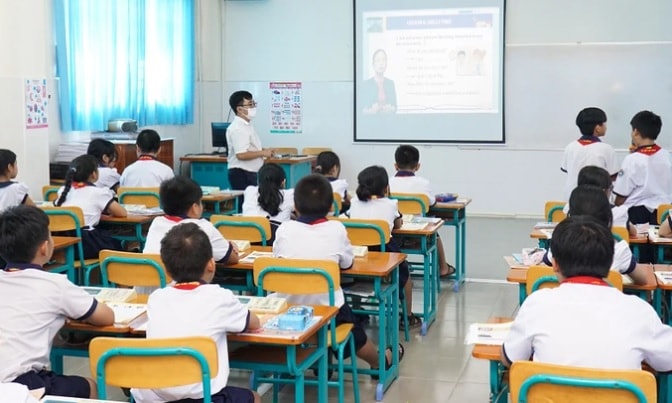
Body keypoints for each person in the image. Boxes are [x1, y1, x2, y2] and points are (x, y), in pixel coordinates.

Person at [501, 215, 672, 371]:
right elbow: (667, 361)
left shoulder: (536, 304)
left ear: (555, 264)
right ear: (609, 263)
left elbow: (510, 358)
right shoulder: (639, 311)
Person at [273, 174, 404, 376]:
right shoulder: (336, 228)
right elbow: (347, 263)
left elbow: (278, 260)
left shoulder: (284, 229)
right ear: (330, 207)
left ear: (295, 206)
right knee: (352, 329)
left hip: (286, 310)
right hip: (327, 311)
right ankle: (379, 361)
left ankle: (317, 362)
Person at [131, 223, 261, 403]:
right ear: (211, 264)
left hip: (157, 396)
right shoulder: (219, 297)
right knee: (253, 397)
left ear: (166, 270)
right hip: (204, 396)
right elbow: (254, 323)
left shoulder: (156, 299)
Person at [0, 205, 114, 398]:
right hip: (20, 384)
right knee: (89, 386)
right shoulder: (55, 284)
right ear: (45, 247)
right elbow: (106, 317)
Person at [347, 165, 417, 328]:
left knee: (356, 275)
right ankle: (407, 317)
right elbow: (398, 225)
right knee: (406, 276)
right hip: (384, 254)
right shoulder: (391, 204)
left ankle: (357, 311)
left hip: (359, 255)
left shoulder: (354, 202)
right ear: (386, 188)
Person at [542, 186, 654, 286]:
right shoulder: (619, 250)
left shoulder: (559, 246)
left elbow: (545, 265)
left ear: (570, 214)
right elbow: (643, 280)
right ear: (608, 216)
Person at [389, 144, 456, 277]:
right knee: (435, 234)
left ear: (395, 165)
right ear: (418, 166)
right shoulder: (423, 183)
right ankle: (443, 268)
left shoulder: (388, 183)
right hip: (418, 235)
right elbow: (432, 203)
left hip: (393, 234)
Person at [613, 111, 670, 262]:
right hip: (663, 215)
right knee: (660, 256)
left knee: (639, 257)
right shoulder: (667, 156)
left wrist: (615, 207)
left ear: (636, 131)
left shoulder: (631, 160)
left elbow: (621, 195)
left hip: (637, 215)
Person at [143, 176, 239, 265]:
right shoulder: (203, 227)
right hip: (182, 278)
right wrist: (230, 246)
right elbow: (232, 259)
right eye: (201, 202)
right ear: (195, 207)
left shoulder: (156, 222)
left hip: (150, 277)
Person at [55, 155, 126, 259]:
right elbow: (122, 213)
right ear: (93, 174)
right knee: (116, 244)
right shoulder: (98, 192)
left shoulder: (63, 190)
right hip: (85, 244)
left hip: (62, 241)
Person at [560, 107, 618, 200]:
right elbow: (613, 176)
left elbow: (567, 170)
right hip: (597, 200)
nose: (606, 127)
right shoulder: (607, 149)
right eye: (604, 123)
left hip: (572, 199)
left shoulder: (570, 147)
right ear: (597, 128)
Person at [562, 165, 635, 234]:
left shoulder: (569, 207)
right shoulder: (618, 212)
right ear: (604, 191)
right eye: (610, 188)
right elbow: (633, 232)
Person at [226, 90, 274, 190]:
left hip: (250, 172)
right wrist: (262, 153)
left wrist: (264, 150)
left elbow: (249, 147)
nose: (253, 107)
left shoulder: (247, 125)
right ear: (239, 109)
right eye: (250, 104)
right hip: (242, 173)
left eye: (254, 104)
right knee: (246, 199)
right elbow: (241, 155)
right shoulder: (238, 128)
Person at [241, 163, 294, 242]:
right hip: (277, 241)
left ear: (258, 181)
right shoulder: (289, 194)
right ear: (283, 182)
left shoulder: (249, 191)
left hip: (249, 239)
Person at [361, 49, 397, 114]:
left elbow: (395, 107)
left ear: (386, 63)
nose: (381, 63)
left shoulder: (390, 83)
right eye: (378, 60)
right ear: (373, 64)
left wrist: (390, 109)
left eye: (383, 60)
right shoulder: (366, 85)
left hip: (388, 119)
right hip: (372, 119)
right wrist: (372, 111)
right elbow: (362, 109)